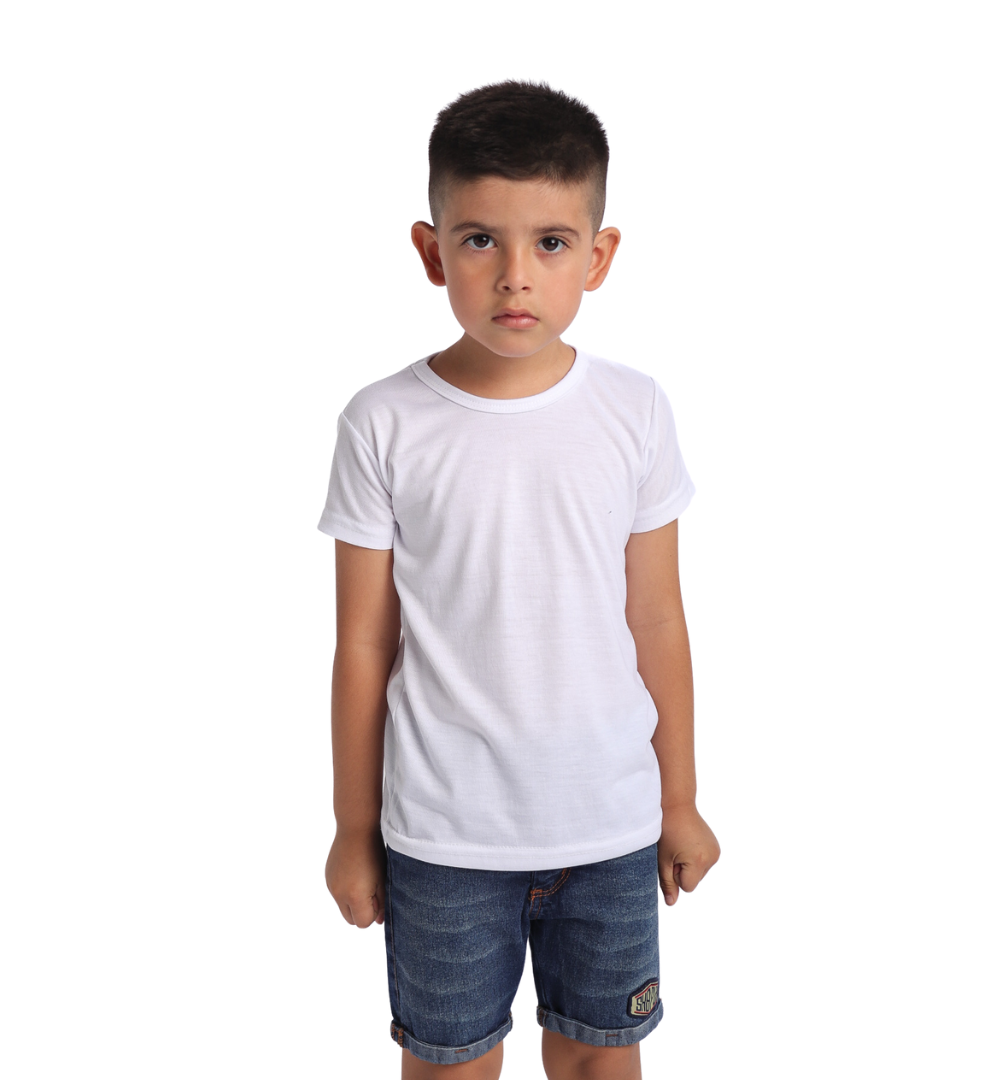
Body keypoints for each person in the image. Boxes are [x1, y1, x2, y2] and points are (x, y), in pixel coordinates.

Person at [318, 80, 720, 1080]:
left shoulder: (634, 410)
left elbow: (658, 619)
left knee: (598, 1060)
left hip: (609, 826)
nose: (514, 277)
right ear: (431, 252)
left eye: (549, 242)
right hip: (443, 836)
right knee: (451, 1064)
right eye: (479, 240)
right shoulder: (383, 423)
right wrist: (354, 829)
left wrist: (679, 800)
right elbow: (364, 642)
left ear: (599, 256)